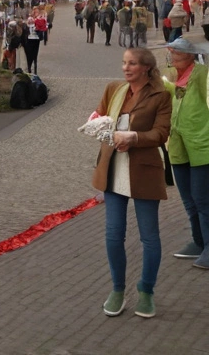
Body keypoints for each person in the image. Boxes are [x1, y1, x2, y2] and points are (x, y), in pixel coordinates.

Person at [93, 47, 171, 318]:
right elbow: (100, 118)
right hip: (113, 169)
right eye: (124, 63)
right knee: (114, 235)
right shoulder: (114, 89)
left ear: (146, 68)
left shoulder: (161, 95)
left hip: (144, 170)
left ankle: (146, 290)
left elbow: (161, 134)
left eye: (133, 64)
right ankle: (117, 289)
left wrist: (133, 138)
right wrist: (97, 128)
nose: (126, 68)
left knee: (150, 237)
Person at [163, 38, 209, 269]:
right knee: (188, 199)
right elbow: (178, 95)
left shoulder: (202, 74)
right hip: (179, 145)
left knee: (203, 199)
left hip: (202, 146)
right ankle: (199, 241)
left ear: (191, 55)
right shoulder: (176, 77)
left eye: (178, 52)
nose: (172, 56)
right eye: (171, 52)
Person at [24, 9, 43, 75]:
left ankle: (34, 67)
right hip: (30, 39)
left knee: (35, 54)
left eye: (37, 12)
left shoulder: (39, 19)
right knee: (29, 54)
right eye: (35, 12)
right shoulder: (31, 19)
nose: (36, 13)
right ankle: (29, 66)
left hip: (36, 39)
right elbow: (29, 24)